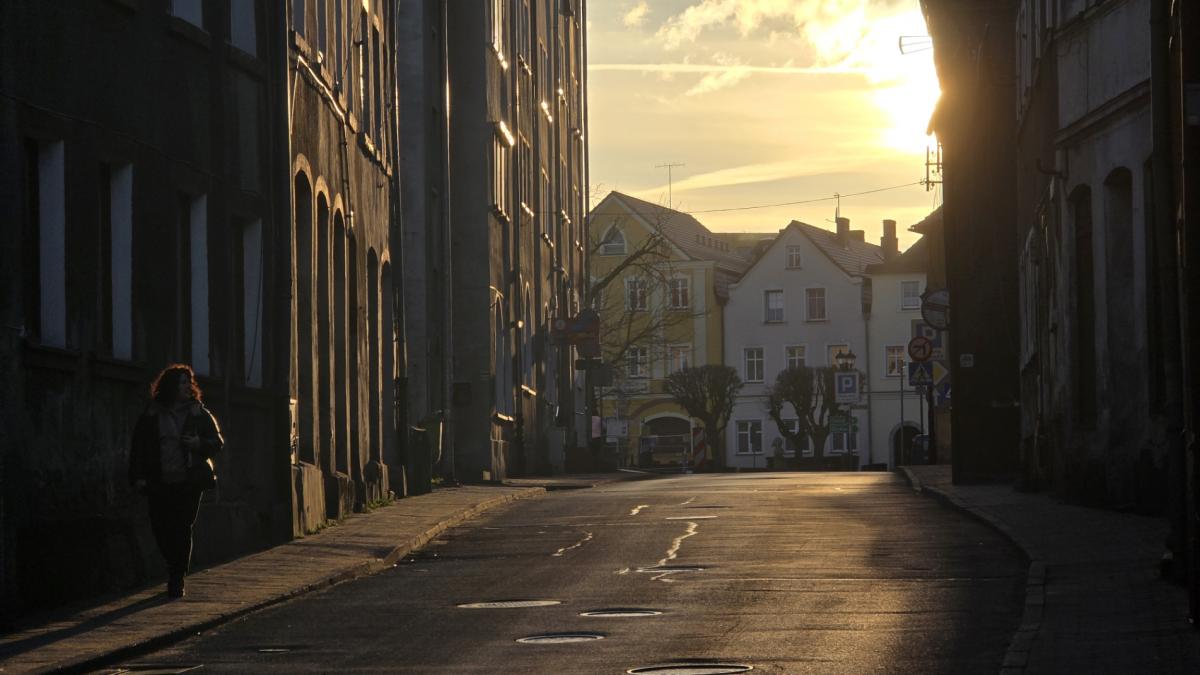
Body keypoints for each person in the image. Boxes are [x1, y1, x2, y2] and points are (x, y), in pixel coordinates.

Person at [128, 364, 223, 598]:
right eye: (182, 382)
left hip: (187, 482)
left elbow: (217, 442)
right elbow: (139, 447)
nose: (187, 386)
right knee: (161, 528)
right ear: (171, 386)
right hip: (159, 481)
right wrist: (138, 477)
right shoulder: (152, 414)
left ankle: (176, 577)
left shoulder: (197, 413)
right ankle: (173, 564)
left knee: (182, 528)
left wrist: (198, 444)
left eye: (188, 382)